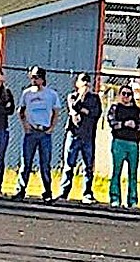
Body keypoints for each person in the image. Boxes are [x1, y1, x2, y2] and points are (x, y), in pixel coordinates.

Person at [12, 65, 62, 201]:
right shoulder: (27, 93)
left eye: (37, 77)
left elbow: (56, 111)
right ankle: (20, 190)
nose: (34, 80)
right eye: (32, 77)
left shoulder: (51, 94)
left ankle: (47, 192)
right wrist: (25, 125)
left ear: (43, 79)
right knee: (26, 163)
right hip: (31, 132)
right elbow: (20, 111)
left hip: (44, 132)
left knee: (45, 164)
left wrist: (51, 127)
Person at [57, 72, 102, 204]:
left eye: (87, 82)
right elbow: (74, 107)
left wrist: (85, 110)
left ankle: (87, 193)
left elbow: (95, 113)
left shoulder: (95, 98)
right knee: (68, 164)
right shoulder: (72, 96)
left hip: (88, 136)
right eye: (83, 81)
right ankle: (64, 192)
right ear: (77, 84)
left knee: (88, 166)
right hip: (74, 134)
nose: (85, 84)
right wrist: (82, 97)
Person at [106, 83, 140, 209]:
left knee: (133, 173)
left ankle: (132, 200)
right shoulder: (115, 108)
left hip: (133, 144)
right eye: (123, 94)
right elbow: (112, 122)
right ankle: (115, 198)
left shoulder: (137, 111)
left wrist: (135, 126)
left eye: (129, 94)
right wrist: (125, 124)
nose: (126, 96)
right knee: (116, 171)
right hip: (118, 142)